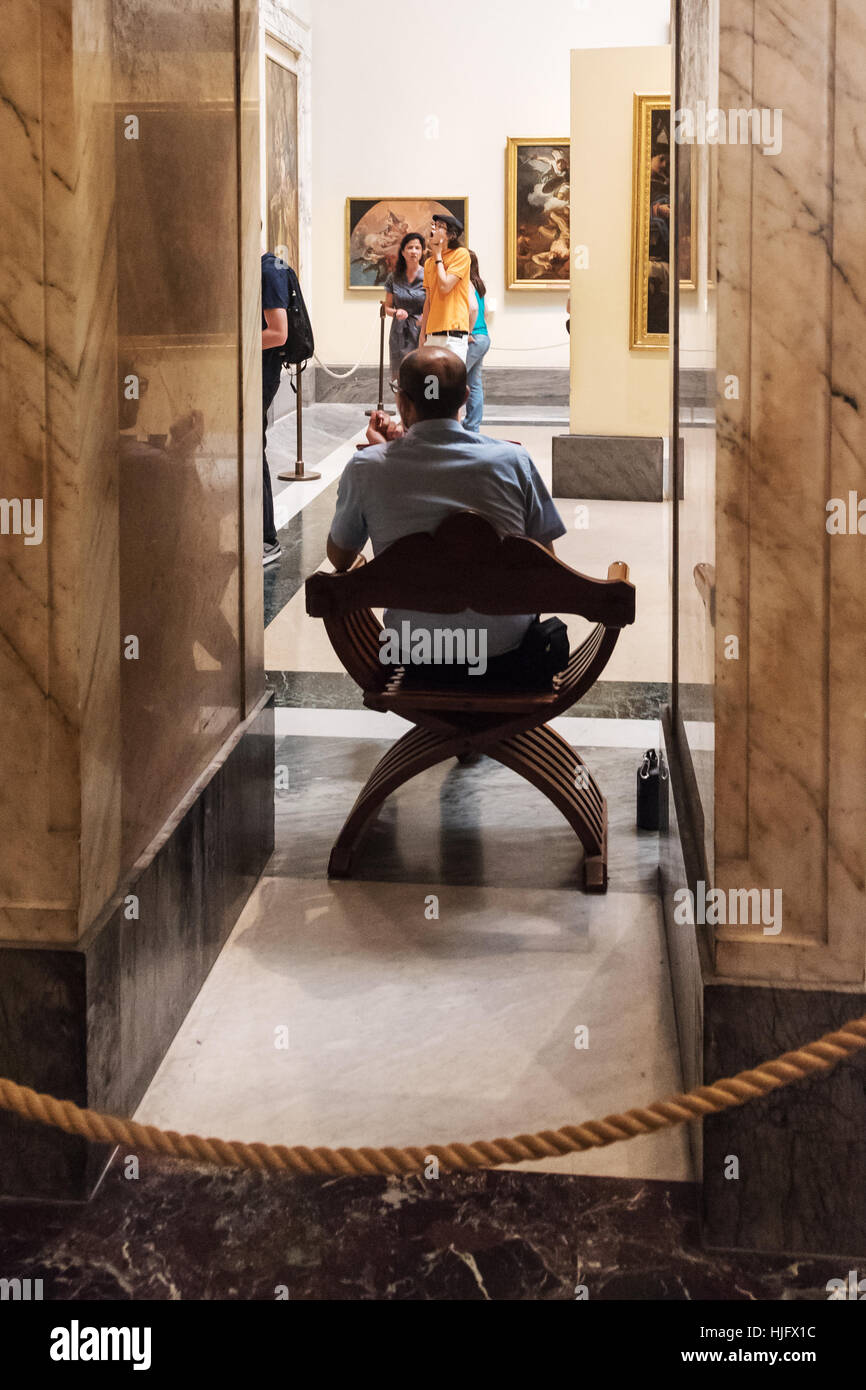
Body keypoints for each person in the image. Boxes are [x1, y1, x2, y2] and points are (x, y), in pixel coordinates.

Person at [326, 347, 566, 688]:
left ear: (403, 403)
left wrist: (384, 453)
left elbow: (340, 556)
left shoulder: (367, 468)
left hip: (418, 658)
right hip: (508, 658)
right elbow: (546, 563)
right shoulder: (514, 461)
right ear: (466, 397)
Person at [261, 249, 289, 566]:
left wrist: (237, 343)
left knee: (256, 450)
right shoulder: (262, 269)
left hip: (263, 373)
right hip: (258, 372)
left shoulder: (268, 271)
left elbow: (278, 333)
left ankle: (267, 539)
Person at [418, 214, 471, 363]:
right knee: (431, 384)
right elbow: (428, 301)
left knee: (452, 384)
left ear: (451, 235)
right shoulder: (429, 263)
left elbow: (445, 286)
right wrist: (423, 334)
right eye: (434, 224)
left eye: (440, 226)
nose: (434, 228)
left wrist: (438, 255)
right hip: (432, 335)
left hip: (453, 335)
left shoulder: (461, 254)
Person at [382, 232, 427, 381]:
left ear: (422, 251)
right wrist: (396, 312)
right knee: (400, 376)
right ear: (402, 252)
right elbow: (387, 308)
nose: (413, 251)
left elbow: (435, 305)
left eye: (417, 248)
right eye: (409, 247)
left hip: (423, 330)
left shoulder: (428, 275)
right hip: (399, 332)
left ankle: (420, 405)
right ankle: (402, 404)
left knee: (422, 374)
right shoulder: (393, 277)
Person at [464, 250, 490, 433]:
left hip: (472, 337)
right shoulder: (479, 284)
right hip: (484, 337)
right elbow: (485, 311)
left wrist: (468, 331)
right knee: (474, 383)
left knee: (453, 379)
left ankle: (454, 424)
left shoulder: (465, 283)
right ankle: (472, 426)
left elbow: (472, 309)